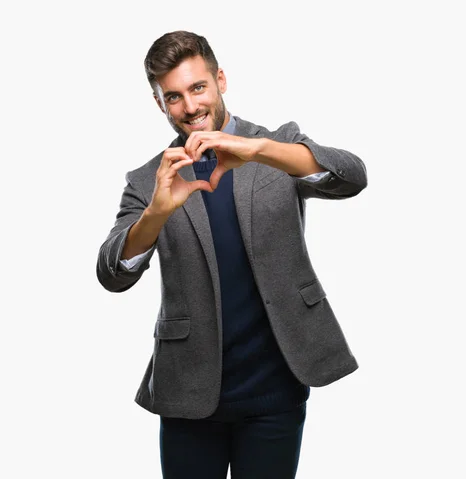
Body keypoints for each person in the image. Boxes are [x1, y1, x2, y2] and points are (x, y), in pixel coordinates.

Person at [96, 30, 367, 479]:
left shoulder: (277, 147)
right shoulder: (148, 181)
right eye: (174, 97)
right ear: (160, 105)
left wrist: (261, 151)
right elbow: (112, 272)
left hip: (275, 389)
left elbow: (351, 177)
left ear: (220, 80)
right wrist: (158, 212)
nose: (190, 106)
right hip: (189, 393)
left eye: (198, 87)